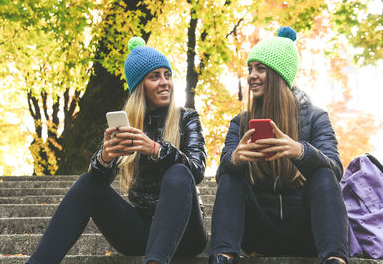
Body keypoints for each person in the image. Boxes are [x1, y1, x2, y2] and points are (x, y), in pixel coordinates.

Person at [27, 37, 208, 264]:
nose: (165, 82)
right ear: (139, 86)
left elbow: (197, 170)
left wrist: (156, 149)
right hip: (139, 231)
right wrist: (104, 159)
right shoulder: (127, 124)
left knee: (179, 171)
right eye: (155, 76)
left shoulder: (187, 118)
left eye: (167, 75)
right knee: (87, 182)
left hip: (186, 234)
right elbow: (96, 183)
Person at [208, 27, 349, 264]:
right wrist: (234, 160)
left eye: (260, 69)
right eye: (250, 69)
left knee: (324, 173)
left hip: (306, 232)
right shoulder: (240, 123)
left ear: (278, 74)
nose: (251, 75)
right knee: (231, 174)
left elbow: (335, 169)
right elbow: (222, 175)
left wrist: (301, 152)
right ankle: (222, 257)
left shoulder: (316, 118)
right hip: (259, 233)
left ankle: (335, 259)